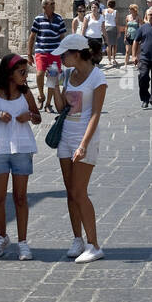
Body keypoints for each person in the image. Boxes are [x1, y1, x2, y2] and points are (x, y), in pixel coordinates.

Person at [0, 54, 41, 260]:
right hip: (0, 147)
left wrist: (30, 116)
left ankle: (22, 242)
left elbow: (37, 116)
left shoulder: (26, 93)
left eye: (26, 72)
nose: (25, 76)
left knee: (20, 197)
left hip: (22, 147)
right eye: (21, 72)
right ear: (9, 73)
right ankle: (1, 236)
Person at [54, 33, 107, 262]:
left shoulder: (98, 78)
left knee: (79, 191)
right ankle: (77, 239)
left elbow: (96, 113)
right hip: (66, 136)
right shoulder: (68, 75)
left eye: (64, 54)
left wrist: (84, 144)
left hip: (85, 137)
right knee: (70, 192)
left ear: (76, 54)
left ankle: (94, 244)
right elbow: (60, 107)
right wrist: (52, 84)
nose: (61, 58)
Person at [26, 0, 66, 106]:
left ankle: (48, 103)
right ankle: (41, 95)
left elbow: (62, 36)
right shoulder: (38, 19)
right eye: (51, 4)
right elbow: (32, 37)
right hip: (41, 51)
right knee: (39, 74)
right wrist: (29, 54)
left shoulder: (59, 19)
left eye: (54, 4)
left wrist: (64, 53)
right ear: (44, 6)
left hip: (55, 53)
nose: (54, 6)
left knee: (52, 79)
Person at [102, 0, 121, 68]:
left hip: (106, 27)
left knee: (108, 45)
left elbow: (103, 21)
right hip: (113, 28)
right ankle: (114, 59)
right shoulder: (116, 12)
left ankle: (109, 60)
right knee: (114, 45)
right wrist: (119, 31)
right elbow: (116, 22)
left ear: (108, 4)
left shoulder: (104, 11)